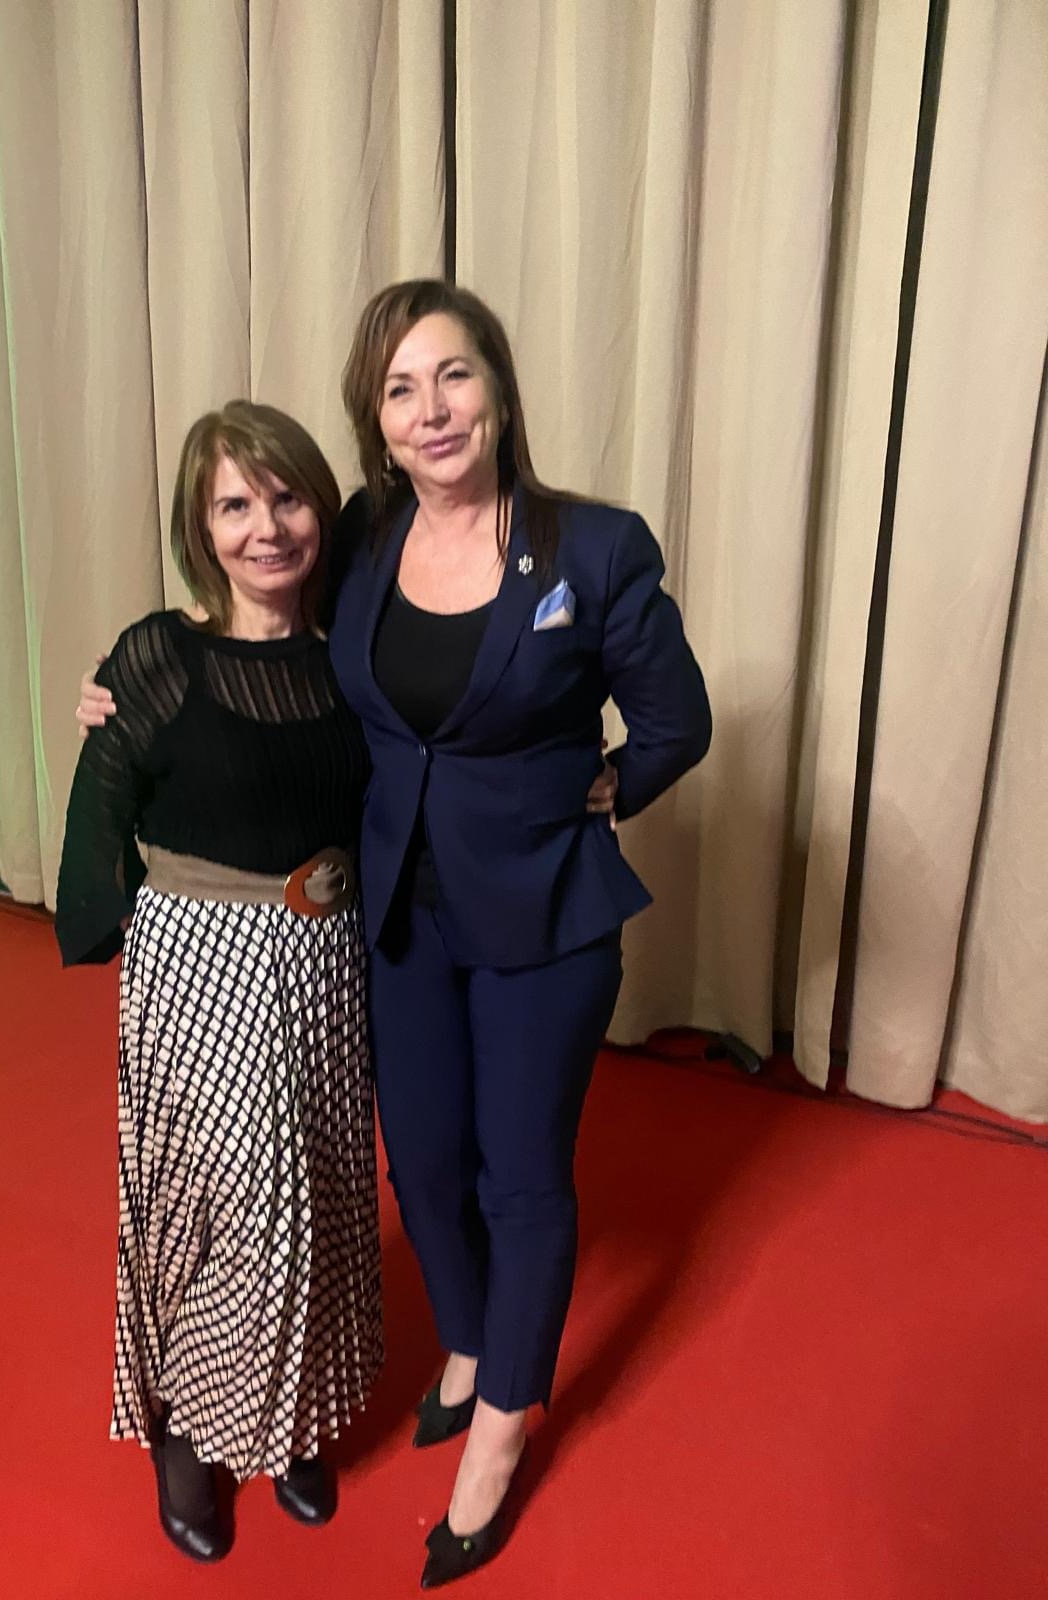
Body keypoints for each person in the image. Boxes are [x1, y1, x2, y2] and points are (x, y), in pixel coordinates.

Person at [80, 280, 710, 1588]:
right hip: (395, 917)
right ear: (376, 420)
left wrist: (611, 787)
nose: (432, 410)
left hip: (541, 917)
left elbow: (677, 721)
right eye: (401, 388)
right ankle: (467, 1341)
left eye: (454, 375)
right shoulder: (365, 534)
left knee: (518, 1178)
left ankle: (501, 1427)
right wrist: (129, 687)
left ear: (499, 390)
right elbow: (260, 627)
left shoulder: (594, 550)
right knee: (420, 1166)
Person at [56, 401, 382, 1565]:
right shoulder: (158, 655)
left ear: (320, 509)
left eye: (286, 497)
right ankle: (191, 1429)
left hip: (329, 962)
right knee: (233, 1208)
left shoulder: (354, 656)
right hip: (204, 961)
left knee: (321, 1199)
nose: (266, 526)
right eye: (235, 505)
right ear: (202, 529)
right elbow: (103, 802)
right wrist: (100, 920)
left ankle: (289, 1412)